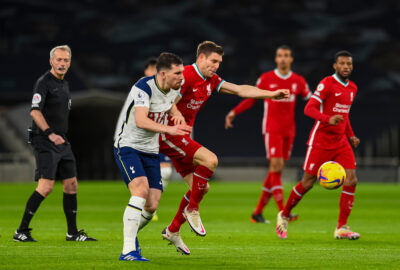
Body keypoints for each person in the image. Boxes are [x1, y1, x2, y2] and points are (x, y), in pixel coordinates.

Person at [160, 41, 290, 255]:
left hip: (181, 138)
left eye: (219, 62)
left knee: (201, 188)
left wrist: (270, 94)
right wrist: (176, 114)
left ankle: (173, 230)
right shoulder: (186, 76)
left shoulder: (211, 80)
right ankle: (192, 209)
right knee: (210, 160)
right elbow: (165, 98)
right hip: (169, 134)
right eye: (213, 61)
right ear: (200, 58)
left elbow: (239, 89)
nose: (217, 65)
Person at [13, 45, 97, 242]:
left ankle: (72, 233)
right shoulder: (44, 83)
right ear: (51, 61)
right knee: (46, 186)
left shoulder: (65, 84)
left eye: (66, 60)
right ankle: (21, 231)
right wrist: (49, 133)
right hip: (44, 139)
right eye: (58, 60)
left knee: (71, 184)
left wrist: (59, 135)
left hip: (62, 141)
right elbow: (35, 111)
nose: (62, 63)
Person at [114, 52, 191, 261]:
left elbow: (171, 102)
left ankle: (130, 237)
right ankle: (128, 250)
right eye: (178, 73)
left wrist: (177, 114)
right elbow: (140, 120)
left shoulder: (174, 88)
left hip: (150, 150)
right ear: (163, 74)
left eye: (182, 72)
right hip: (128, 146)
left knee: (152, 205)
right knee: (140, 190)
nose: (182, 77)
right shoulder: (143, 87)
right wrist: (170, 129)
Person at [276, 50, 360, 240]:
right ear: (335, 66)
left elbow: (344, 117)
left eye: (349, 64)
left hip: (341, 143)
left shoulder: (353, 87)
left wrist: (351, 135)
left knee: (352, 179)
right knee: (307, 183)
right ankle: (284, 214)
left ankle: (342, 228)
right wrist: (327, 119)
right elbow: (309, 108)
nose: (346, 67)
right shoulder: (327, 83)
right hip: (320, 141)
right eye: (342, 64)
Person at [225, 45, 311, 224]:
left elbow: (311, 100)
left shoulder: (298, 81)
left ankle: (257, 213)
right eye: (280, 55)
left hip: (289, 130)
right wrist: (234, 111)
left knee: (275, 170)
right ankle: (283, 212)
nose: (283, 59)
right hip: (272, 129)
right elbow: (251, 98)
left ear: (291, 59)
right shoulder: (266, 78)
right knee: (277, 167)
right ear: (276, 59)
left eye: (286, 55)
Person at [114, 57, 173, 191]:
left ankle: (150, 206)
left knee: (165, 173)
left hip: (157, 139)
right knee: (141, 184)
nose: (154, 71)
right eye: (151, 68)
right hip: (135, 141)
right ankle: (144, 204)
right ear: (146, 71)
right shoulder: (141, 88)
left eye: (156, 69)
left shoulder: (166, 90)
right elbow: (134, 118)